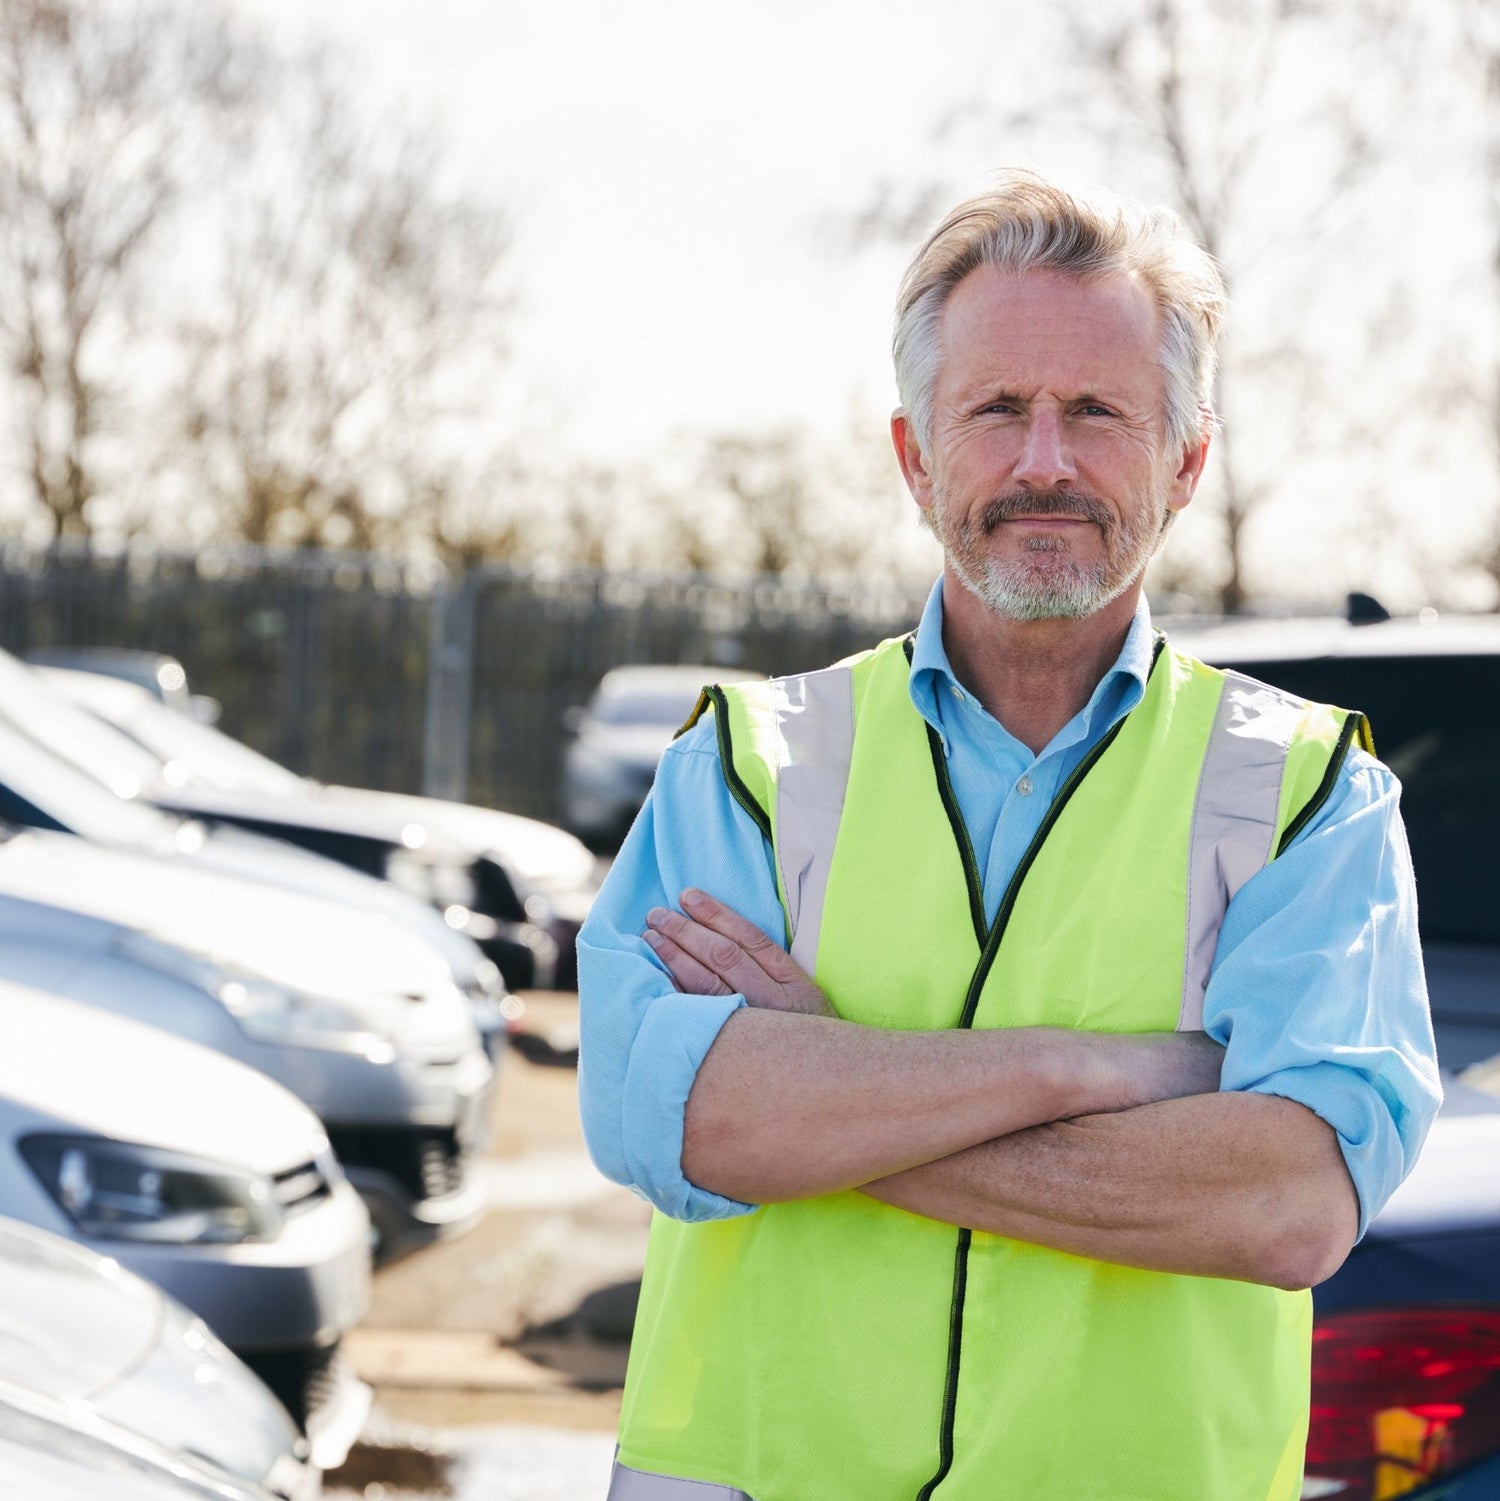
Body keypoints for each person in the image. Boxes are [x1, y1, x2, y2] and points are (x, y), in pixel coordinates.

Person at [577, 170, 1441, 1501]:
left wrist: (830, 1097)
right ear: (919, 457)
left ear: (1186, 460)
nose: (1045, 461)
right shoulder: (750, 766)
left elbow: (1287, 1200)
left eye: (1097, 411)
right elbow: (664, 1110)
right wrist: (1091, 1067)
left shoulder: (1308, 793)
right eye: (997, 410)